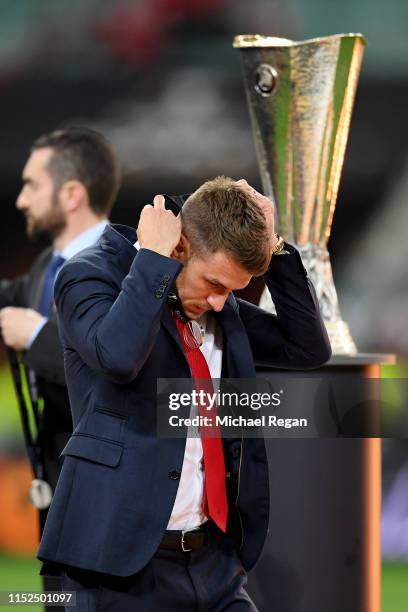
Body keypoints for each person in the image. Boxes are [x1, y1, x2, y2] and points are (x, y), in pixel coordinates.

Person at [38, 176, 331, 611]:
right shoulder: (87, 276)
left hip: (214, 566)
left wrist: (278, 245)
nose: (220, 303)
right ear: (179, 248)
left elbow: (306, 347)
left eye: (231, 290)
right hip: (121, 571)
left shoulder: (216, 302)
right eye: (215, 284)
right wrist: (154, 260)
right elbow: (118, 357)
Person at [0, 127, 120, 606]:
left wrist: (36, 337)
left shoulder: (127, 266)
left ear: (71, 194)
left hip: (108, 498)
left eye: (31, 185)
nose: (21, 200)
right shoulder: (47, 265)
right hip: (56, 492)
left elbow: (118, 364)